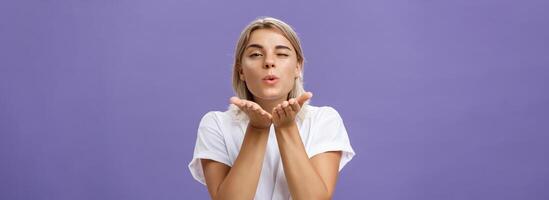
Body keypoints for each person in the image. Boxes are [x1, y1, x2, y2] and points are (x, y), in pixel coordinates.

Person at [188, 17, 355, 200]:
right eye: (256, 55)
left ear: (298, 67)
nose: (269, 62)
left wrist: (286, 127)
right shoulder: (215, 123)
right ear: (241, 70)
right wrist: (257, 129)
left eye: (282, 54)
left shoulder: (324, 120)